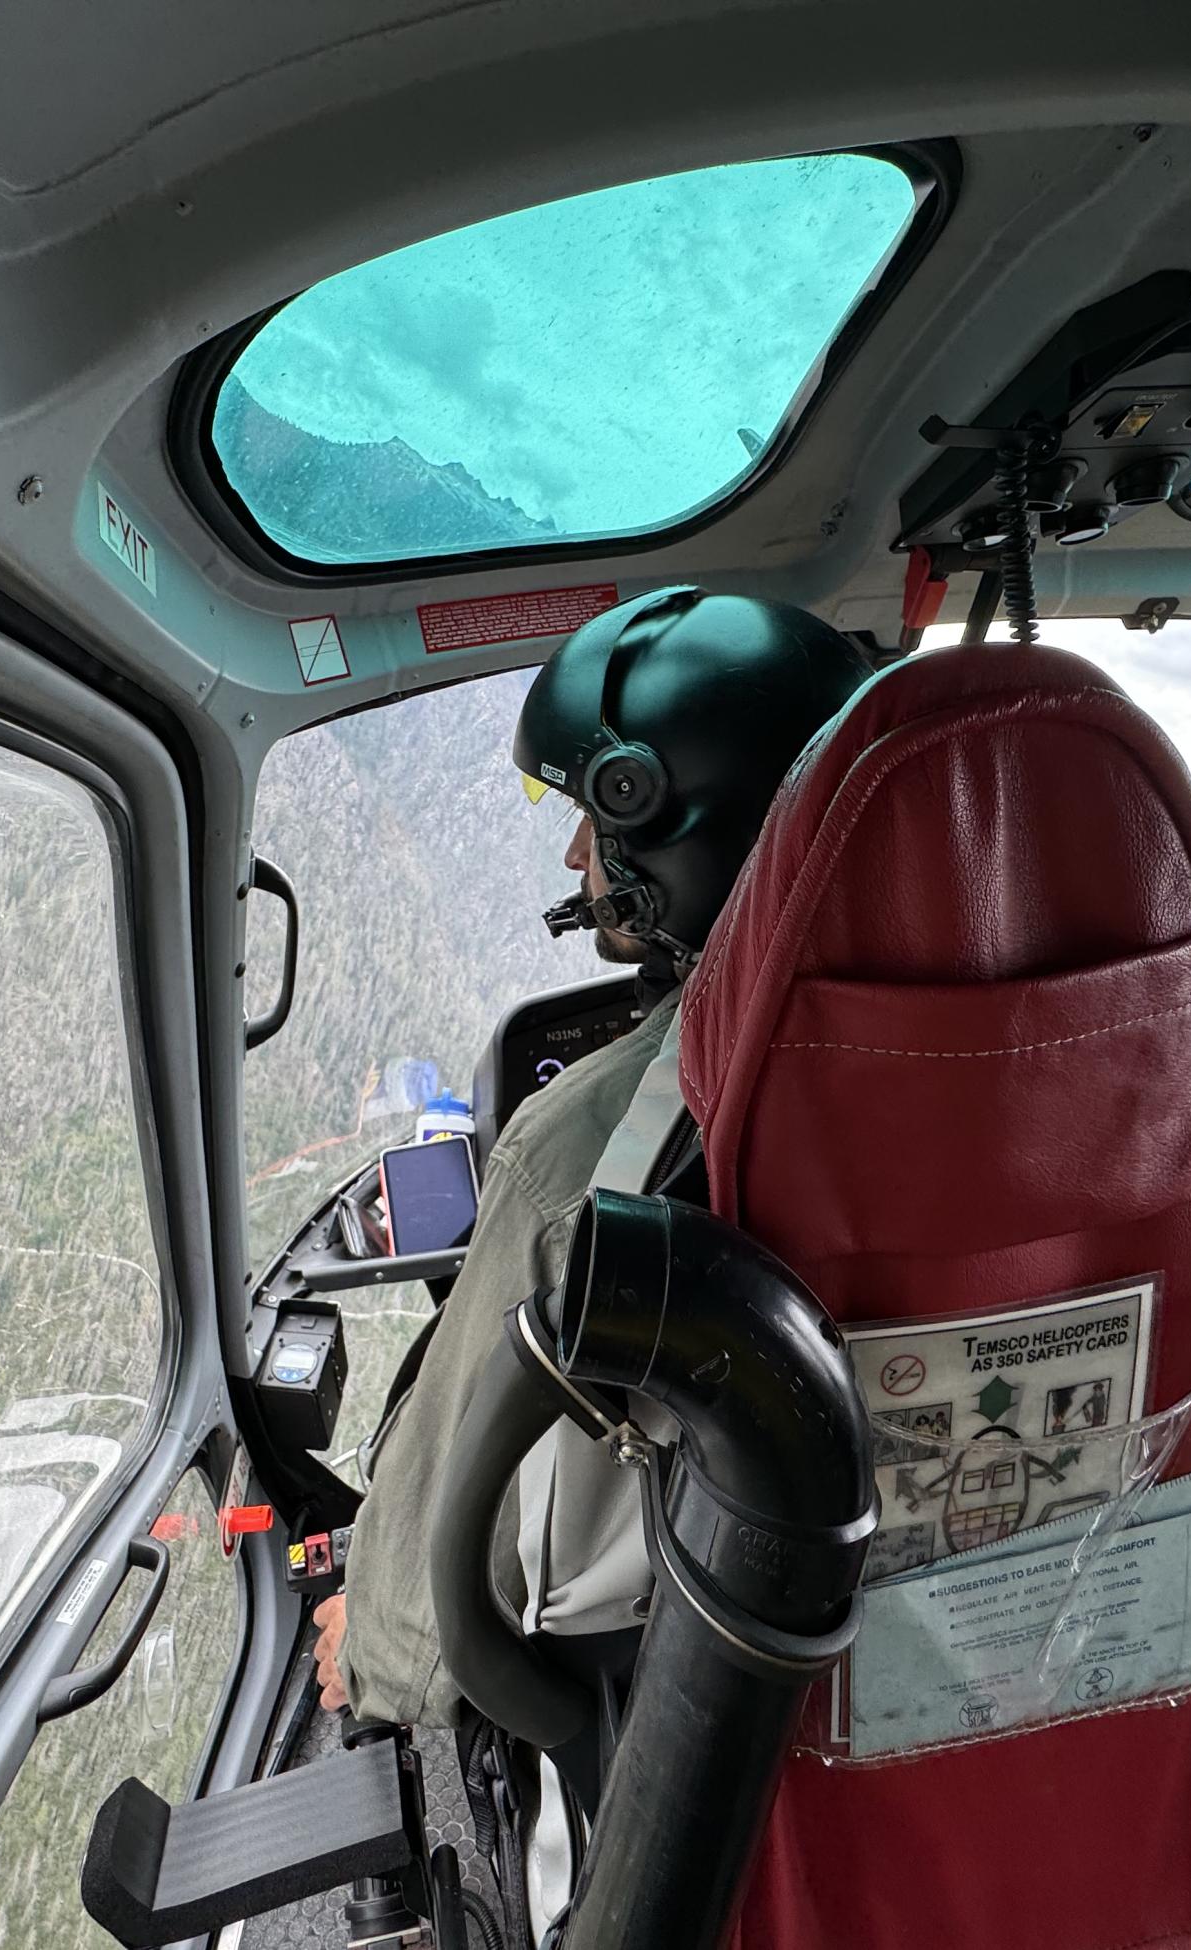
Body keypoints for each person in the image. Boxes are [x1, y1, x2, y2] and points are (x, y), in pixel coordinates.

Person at [316, 586, 874, 1722]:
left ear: (675, 825)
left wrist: (365, 1650)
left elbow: (442, 1554)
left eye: (594, 818)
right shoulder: (1037, 1068)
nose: (575, 850)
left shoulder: (594, 1140)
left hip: (683, 1692)